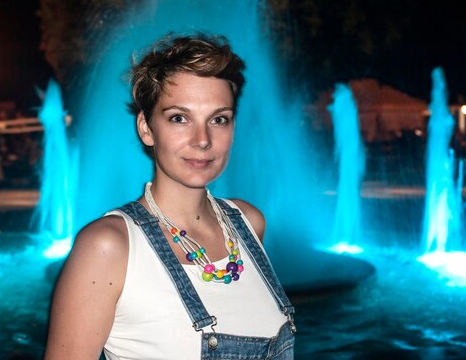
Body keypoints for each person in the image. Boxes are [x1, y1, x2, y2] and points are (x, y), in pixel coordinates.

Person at [43, 33, 296, 360]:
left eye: (219, 119)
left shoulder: (249, 223)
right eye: (179, 118)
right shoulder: (109, 246)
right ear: (146, 128)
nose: (202, 139)